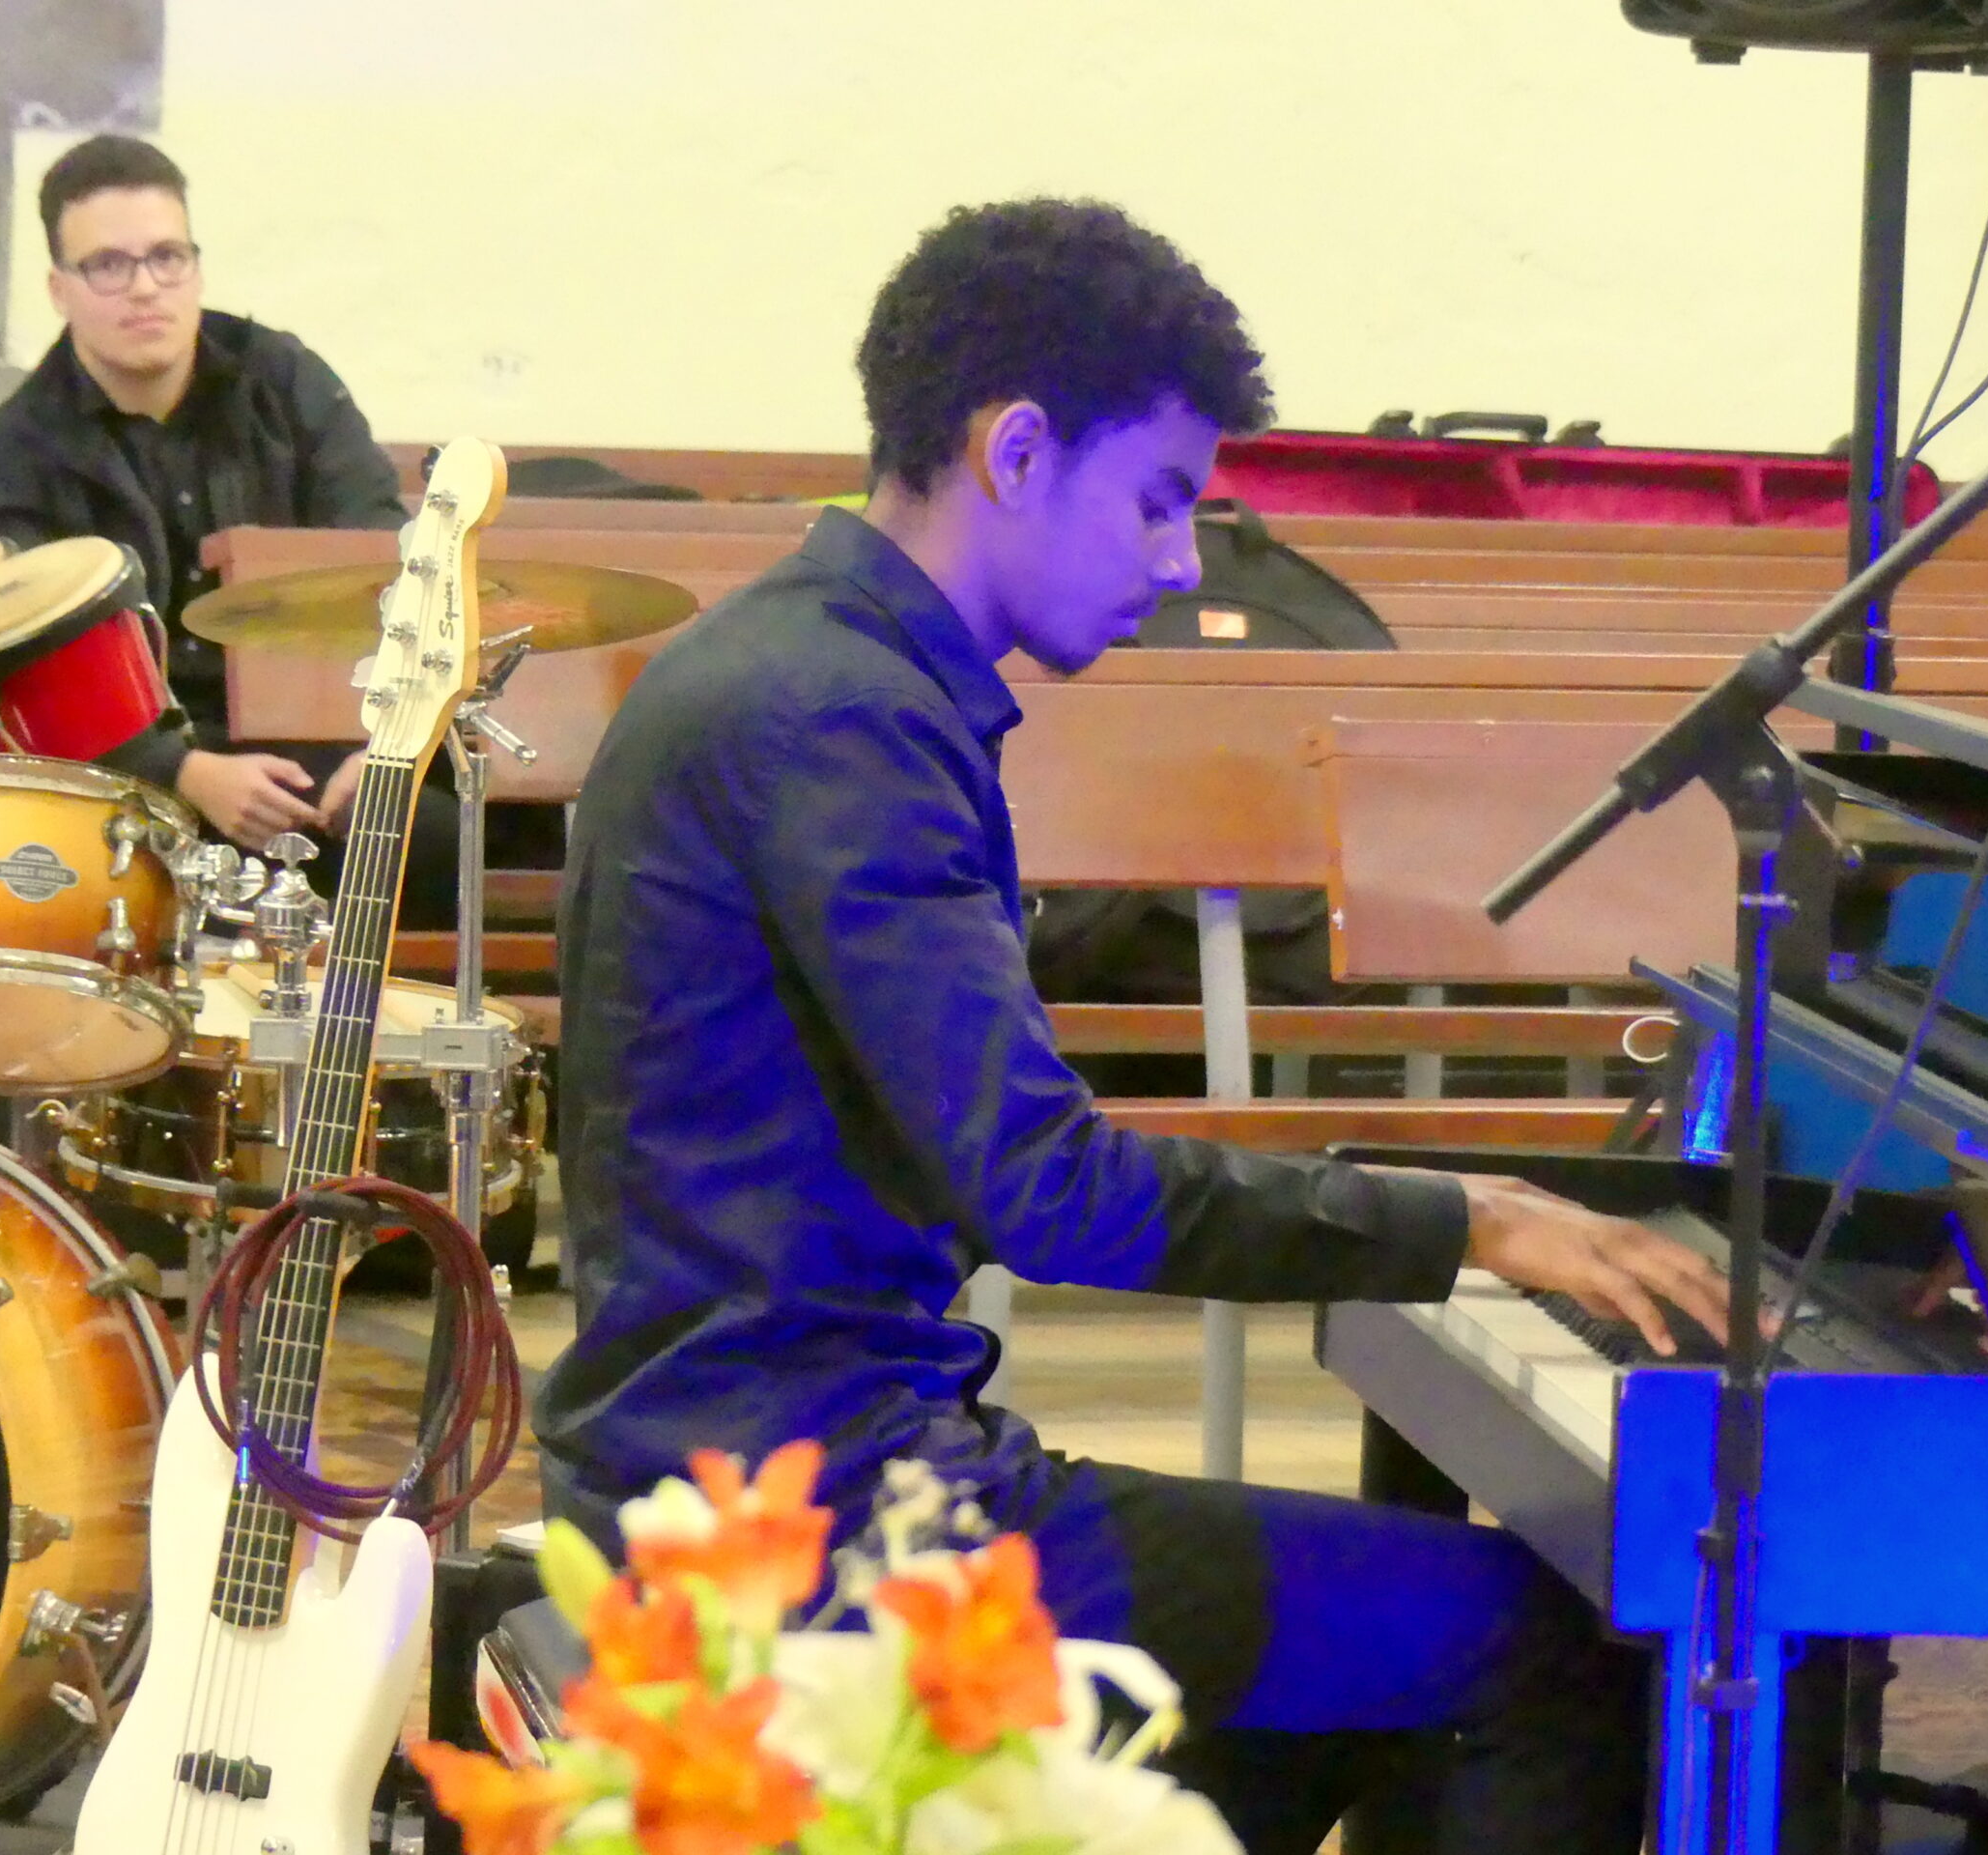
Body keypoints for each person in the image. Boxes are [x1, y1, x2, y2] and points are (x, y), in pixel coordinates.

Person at [535, 200, 1739, 1854]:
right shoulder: (843, 721)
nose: (1181, 563)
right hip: (824, 1529)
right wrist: (1472, 1219)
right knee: (1548, 1651)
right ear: (1018, 450)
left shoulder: (791, 664)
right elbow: (1047, 1192)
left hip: (731, 1466)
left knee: (1317, 1675)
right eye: (1160, 498)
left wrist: (1445, 1219)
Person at [0, 134, 444, 895]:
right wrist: (182, 773)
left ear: (196, 266)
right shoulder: (11, 454)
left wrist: (388, 746)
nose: (145, 287)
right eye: (108, 265)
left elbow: (382, 563)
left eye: (167, 257)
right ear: (59, 289)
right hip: (128, 772)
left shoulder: (285, 383)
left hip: (323, 746)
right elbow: (26, 672)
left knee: (437, 837)